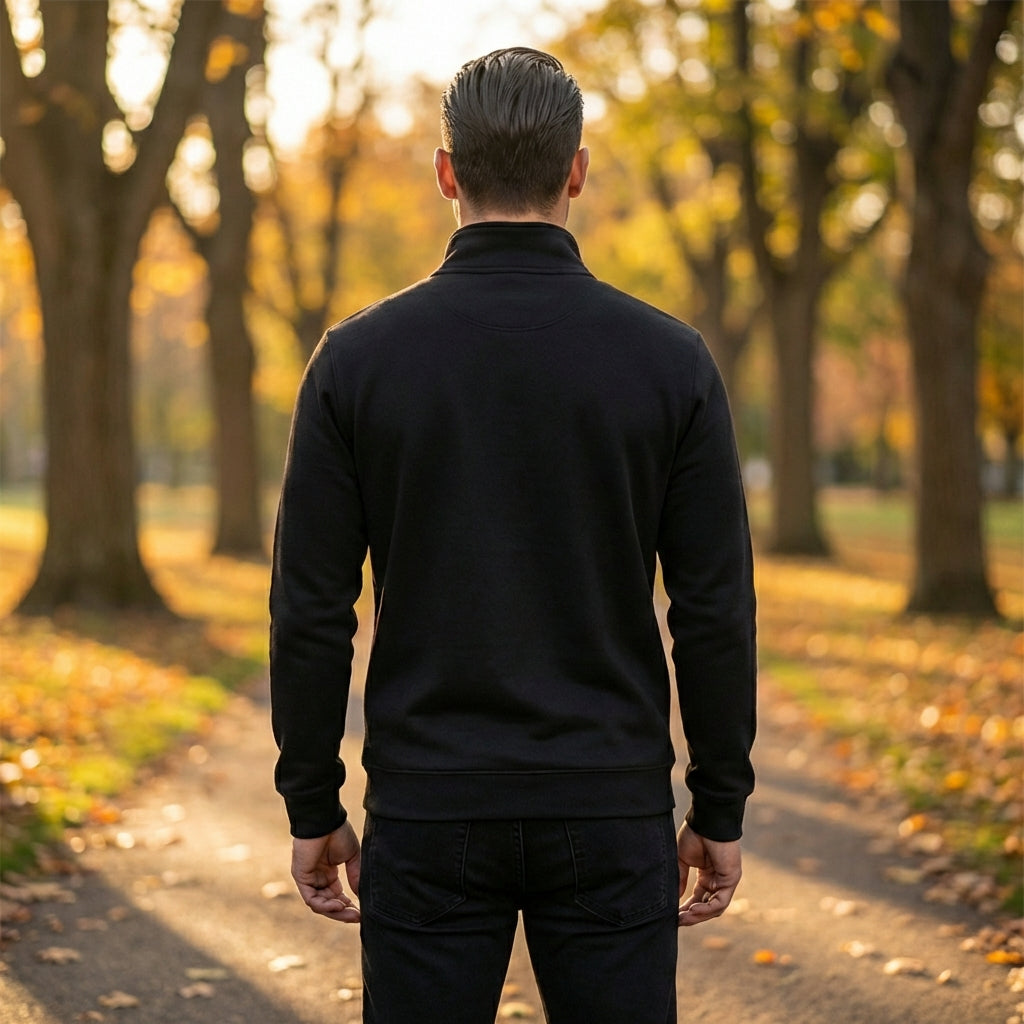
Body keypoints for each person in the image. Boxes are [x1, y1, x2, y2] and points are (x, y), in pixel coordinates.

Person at [270, 46, 756, 1024]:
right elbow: (712, 610)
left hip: (427, 804)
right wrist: (718, 805)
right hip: (607, 803)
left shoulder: (355, 362)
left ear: (446, 172)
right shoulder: (671, 362)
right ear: (576, 170)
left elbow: (312, 610)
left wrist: (313, 802)